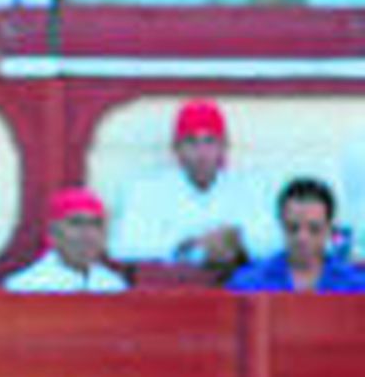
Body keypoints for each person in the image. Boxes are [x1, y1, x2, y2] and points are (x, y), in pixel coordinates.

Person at [108, 98, 279, 278]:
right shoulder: (145, 190)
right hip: (168, 293)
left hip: (236, 289)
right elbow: (121, 247)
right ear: (176, 149)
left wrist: (238, 243)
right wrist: (188, 245)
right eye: (191, 142)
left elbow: (276, 243)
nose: (201, 153)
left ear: (224, 147)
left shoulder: (252, 187)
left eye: (210, 142)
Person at [227, 177, 365, 294]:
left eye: (313, 229)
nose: (302, 238)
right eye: (293, 228)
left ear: (329, 229)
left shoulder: (356, 286)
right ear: (281, 225)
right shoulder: (249, 283)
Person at [3, 187, 128, 294]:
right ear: (53, 233)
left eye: (96, 224)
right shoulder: (25, 287)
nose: (88, 234)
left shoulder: (113, 286)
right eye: (76, 223)